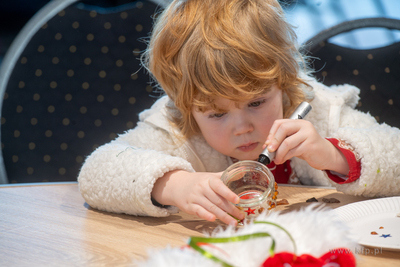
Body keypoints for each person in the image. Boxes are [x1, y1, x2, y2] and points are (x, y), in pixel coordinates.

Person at [78, 0, 400, 226]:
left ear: (283, 83)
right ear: (188, 106)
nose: (242, 127)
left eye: (256, 103)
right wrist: (173, 185)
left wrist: (334, 155)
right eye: (216, 115)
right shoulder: (176, 129)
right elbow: (95, 174)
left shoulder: (319, 111)